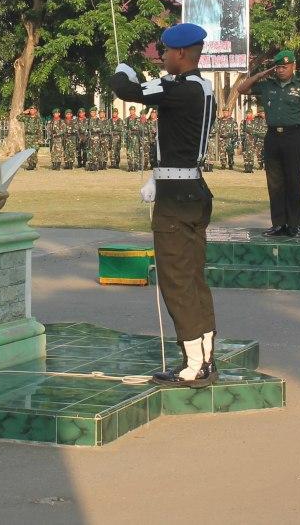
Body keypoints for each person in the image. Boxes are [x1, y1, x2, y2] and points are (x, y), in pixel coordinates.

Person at [110, 22, 217, 387]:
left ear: (182, 54)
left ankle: (192, 366)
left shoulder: (182, 88)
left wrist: (122, 68)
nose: (165, 58)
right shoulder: (203, 87)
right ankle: (204, 357)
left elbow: (127, 90)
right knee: (193, 278)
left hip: (177, 197)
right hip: (192, 188)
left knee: (176, 280)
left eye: (167, 53)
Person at [234, 49, 300, 237]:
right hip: (272, 136)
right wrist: (261, 74)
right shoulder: (267, 85)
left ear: (293, 66)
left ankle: (294, 224)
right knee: (275, 183)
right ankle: (278, 224)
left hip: (294, 136)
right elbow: (241, 89)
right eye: (278, 67)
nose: (280, 70)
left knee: (294, 181)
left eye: (284, 67)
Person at [18, 106, 42, 170]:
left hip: (35, 136)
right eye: (31, 110)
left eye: (33, 110)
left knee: (34, 151)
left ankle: (34, 164)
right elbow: (18, 118)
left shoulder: (38, 119)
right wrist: (23, 112)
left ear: (35, 111)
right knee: (28, 151)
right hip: (28, 137)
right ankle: (30, 164)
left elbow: (40, 129)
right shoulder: (26, 118)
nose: (32, 111)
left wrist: (40, 139)